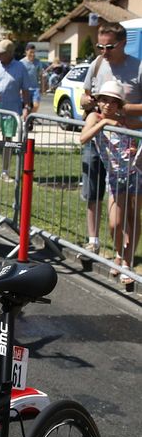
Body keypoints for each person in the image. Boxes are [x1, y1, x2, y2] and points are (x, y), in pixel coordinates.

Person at [79, 23, 142, 255]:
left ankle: (124, 255)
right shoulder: (96, 64)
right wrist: (88, 102)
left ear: (123, 43)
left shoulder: (137, 67)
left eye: (109, 46)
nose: (103, 51)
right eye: (100, 46)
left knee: (129, 205)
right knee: (92, 188)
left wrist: (122, 111)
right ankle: (93, 239)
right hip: (98, 136)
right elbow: (85, 97)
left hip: (127, 143)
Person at [80, 80, 142, 287]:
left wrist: (135, 144)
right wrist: (104, 123)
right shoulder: (94, 117)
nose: (108, 105)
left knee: (133, 218)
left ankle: (127, 261)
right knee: (115, 223)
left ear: (119, 104)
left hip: (135, 174)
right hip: (115, 178)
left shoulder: (124, 120)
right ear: (97, 101)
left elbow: (136, 130)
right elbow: (83, 138)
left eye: (113, 102)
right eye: (104, 100)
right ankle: (118, 253)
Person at [0, 39, 31, 181]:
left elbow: (25, 90)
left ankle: (5, 171)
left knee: (7, 139)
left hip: (10, 109)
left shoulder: (20, 68)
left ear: (10, 53)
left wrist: (27, 107)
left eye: (1, 53)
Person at [20, 43, 42, 113]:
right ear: (26, 52)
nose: (32, 54)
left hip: (35, 88)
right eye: (31, 52)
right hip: (25, 89)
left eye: (34, 52)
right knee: (26, 108)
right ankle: (25, 120)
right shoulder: (21, 63)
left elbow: (40, 75)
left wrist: (42, 88)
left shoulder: (38, 62)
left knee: (36, 105)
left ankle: (30, 118)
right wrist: (19, 89)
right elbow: (19, 77)